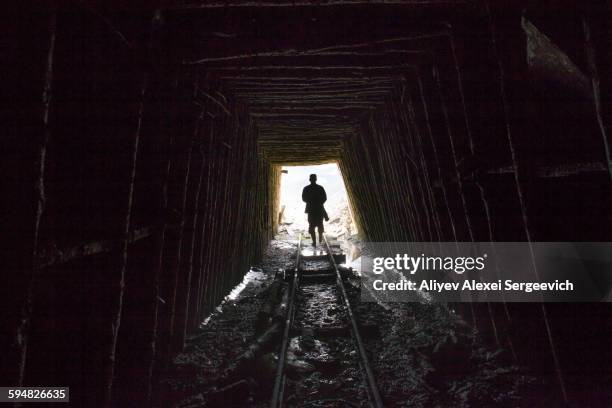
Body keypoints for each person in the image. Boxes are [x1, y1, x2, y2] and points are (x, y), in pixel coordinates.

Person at [302, 174, 329, 247]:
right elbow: (325, 198)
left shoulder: (306, 188)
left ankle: (314, 241)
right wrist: (319, 202)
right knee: (319, 224)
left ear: (309, 179)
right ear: (316, 179)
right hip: (319, 209)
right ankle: (319, 239)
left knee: (311, 225)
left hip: (311, 209)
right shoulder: (320, 188)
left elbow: (304, 198)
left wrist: (311, 201)